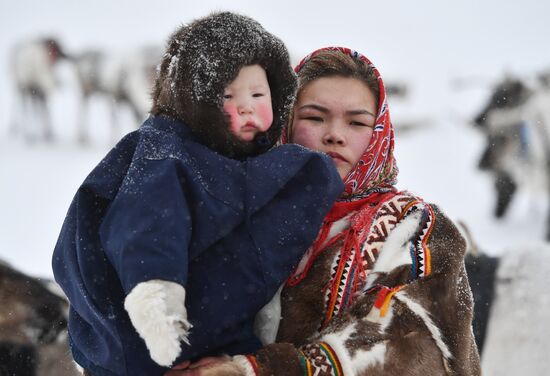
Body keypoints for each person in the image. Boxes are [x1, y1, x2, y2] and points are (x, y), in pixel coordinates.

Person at [51, 14, 344, 376]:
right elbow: (149, 223)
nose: (247, 106)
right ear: (196, 100)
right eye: (227, 95)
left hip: (217, 337)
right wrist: (157, 298)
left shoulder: (262, 163)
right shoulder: (167, 153)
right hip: (143, 332)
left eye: (258, 93)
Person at [172, 47, 481, 376]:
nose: (334, 134)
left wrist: (263, 369)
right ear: (286, 124)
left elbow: (412, 341)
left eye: (357, 122)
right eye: (314, 117)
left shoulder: (415, 228)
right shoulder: (240, 216)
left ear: (379, 134)